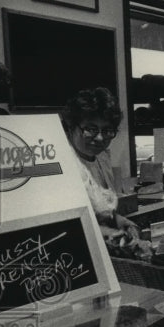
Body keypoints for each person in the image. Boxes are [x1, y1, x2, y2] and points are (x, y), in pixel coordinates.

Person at [62, 86, 138, 237]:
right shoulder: (64, 163)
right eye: (91, 129)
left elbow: (99, 212)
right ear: (71, 127)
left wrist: (120, 221)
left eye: (107, 130)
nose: (100, 138)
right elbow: (66, 224)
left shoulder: (102, 159)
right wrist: (109, 233)